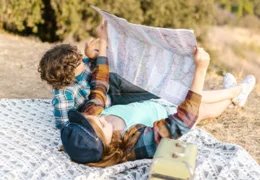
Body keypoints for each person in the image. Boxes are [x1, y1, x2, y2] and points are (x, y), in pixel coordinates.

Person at [61, 47, 256, 167]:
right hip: (173, 114)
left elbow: (99, 87)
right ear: (106, 144)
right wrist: (201, 70)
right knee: (205, 108)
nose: (100, 117)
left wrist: (102, 47)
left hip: (156, 102)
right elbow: (181, 123)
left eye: (92, 118)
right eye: (101, 125)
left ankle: (236, 92)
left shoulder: (93, 117)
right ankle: (237, 94)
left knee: (199, 96)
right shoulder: (130, 144)